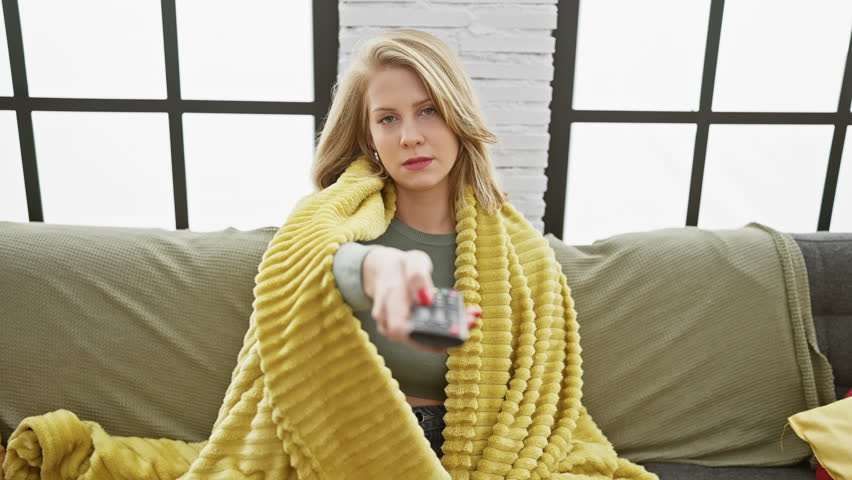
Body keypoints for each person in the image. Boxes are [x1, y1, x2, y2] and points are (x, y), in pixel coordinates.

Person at [310, 28, 507, 458]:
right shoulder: (332, 226)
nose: (410, 137)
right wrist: (373, 268)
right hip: (352, 448)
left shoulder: (515, 254)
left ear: (458, 117)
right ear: (370, 140)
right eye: (387, 118)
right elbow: (307, 263)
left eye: (429, 111)